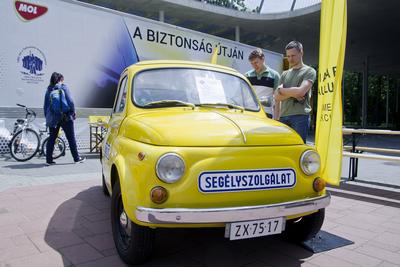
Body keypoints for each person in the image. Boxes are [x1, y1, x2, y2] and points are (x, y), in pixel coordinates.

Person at [274, 41, 316, 143]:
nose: (290, 59)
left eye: (293, 55)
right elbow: (277, 97)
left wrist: (282, 90)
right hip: (283, 117)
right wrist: (294, 93)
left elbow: (301, 92)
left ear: (301, 53)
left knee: (298, 149)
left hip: (300, 116)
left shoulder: (309, 71)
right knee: (283, 150)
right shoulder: (284, 74)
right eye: (288, 56)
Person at [43, 72, 85, 165]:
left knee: (52, 138)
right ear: (60, 79)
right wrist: (73, 112)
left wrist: (47, 117)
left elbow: (46, 106)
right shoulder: (64, 87)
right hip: (66, 116)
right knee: (71, 138)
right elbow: (70, 101)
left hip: (54, 118)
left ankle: (49, 160)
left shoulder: (49, 90)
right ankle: (76, 158)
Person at [245, 49, 280, 119]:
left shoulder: (275, 75)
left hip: (266, 114)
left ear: (263, 59)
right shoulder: (247, 75)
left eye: (256, 62)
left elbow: (278, 99)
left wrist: (277, 118)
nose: (254, 65)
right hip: (249, 113)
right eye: (252, 63)